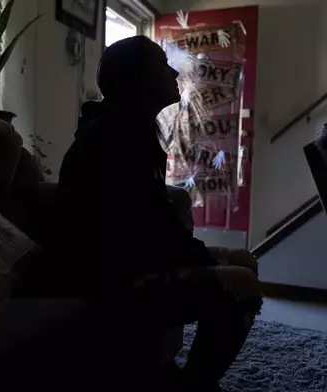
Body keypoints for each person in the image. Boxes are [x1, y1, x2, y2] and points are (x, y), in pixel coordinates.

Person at [56, 36, 262, 392]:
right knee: (241, 283)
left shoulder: (129, 131)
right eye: (161, 65)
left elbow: (152, 224)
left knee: (241, 261)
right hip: (108, 280)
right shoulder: (114, 137)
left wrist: (210, 256)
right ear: (143, 80)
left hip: (132, 262)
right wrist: (209, 261)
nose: (172, 72)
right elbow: (141, 233)